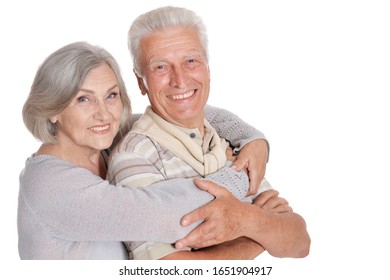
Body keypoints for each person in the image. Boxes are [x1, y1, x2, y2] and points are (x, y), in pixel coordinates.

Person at [18, 41, 273, 259]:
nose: (104, 113)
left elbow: (184, 114)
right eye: (83, 99)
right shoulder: (50, 186)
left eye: (111, 95)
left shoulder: (106, 138)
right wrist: (240, 175)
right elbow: (170, 216)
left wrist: (253, 140)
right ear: (52, 109)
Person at [107, 6, 310, 260]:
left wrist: (246, 220)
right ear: (141, 82)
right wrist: (257, 235)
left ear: (208, 68)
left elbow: (300, 242)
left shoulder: (226, 141)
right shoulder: (134, 157)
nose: (180, 80)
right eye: (161, 67)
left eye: (191, 61)